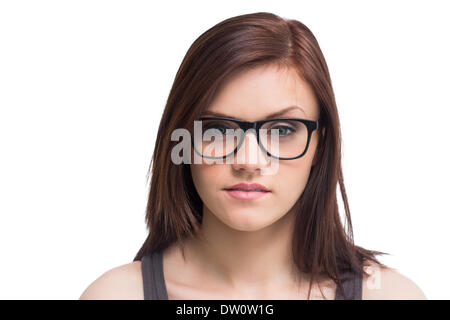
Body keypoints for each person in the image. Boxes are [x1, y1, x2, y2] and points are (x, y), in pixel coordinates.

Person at [79, 12, 426, 300]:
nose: (248, 160)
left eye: (282, 130)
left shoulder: (390, 295)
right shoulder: (116, 295)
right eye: (216, 129)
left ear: (320, 144)